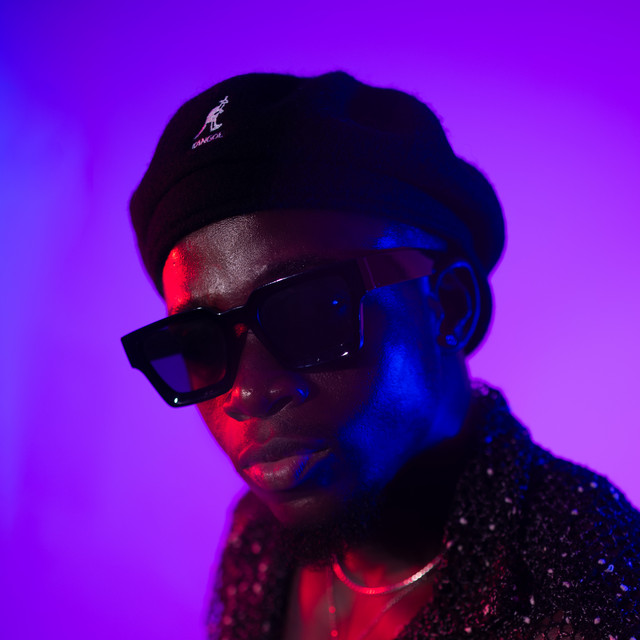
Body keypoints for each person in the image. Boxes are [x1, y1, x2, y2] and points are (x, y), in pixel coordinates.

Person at [121, 72, 640, 639]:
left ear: (450, 306)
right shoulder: (258, 538)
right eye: (199, 343)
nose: (246, 392)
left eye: (311, 310)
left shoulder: (582, 572)